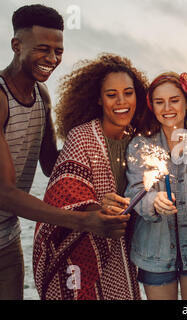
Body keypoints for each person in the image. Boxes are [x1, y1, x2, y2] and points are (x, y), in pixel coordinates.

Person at [0, 4, 129, 301]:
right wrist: (83, 221)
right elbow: (4, 193)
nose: (52, 59)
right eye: (43, 49)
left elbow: (51, 164)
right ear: (16, 45)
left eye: (58, 51)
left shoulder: (41, 95)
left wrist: (103, 145)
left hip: (6, 238)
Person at [32, 54, 148, 300]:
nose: (121, 101)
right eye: (111, 94)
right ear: (98, 99)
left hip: (124, 247)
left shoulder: (140, 141)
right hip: (83, 246)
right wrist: (96, 207)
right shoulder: (82, 136)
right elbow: (64, 191)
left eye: (128, 93)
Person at [123, 71, 187, 300]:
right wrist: (152, 202)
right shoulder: (140, 145)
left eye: (174, 100)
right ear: (152, 106)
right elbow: (134, 192)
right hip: (154, 253)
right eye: (159, 102)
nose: (167, 107)